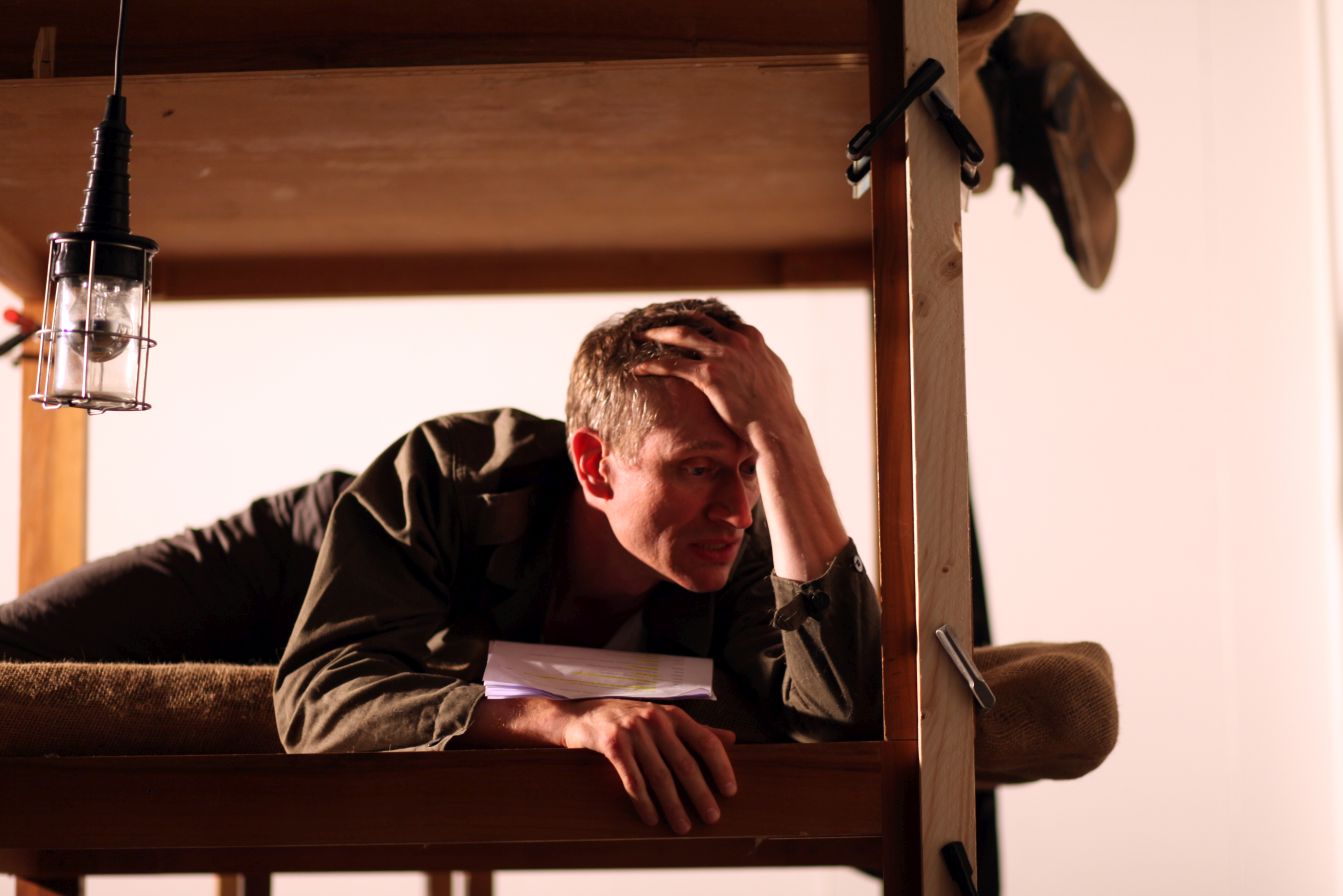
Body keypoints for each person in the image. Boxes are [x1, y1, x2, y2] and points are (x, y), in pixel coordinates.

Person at [271, 298, 881, 835]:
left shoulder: (740, 537)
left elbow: (842, 716)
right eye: (697, 468)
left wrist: (783, 432)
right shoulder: (445, 475)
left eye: (750, 469)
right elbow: (318, 701)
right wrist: (558, 717)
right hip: (293, 550)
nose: (738, 513)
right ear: (595, 467)